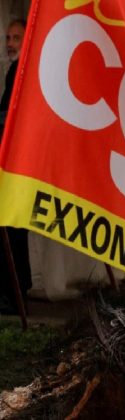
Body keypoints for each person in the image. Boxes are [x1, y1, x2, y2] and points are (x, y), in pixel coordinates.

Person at [0, 19, 31, 314]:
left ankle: (15, 290)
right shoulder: (15, 70)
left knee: (12, 225)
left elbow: (12, 115)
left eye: (15, 37)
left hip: (19, 159)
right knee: (13, 225)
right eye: (8, 37)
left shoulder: (24, 72)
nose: (10, 43)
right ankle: (17, 287)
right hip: (14, 157)